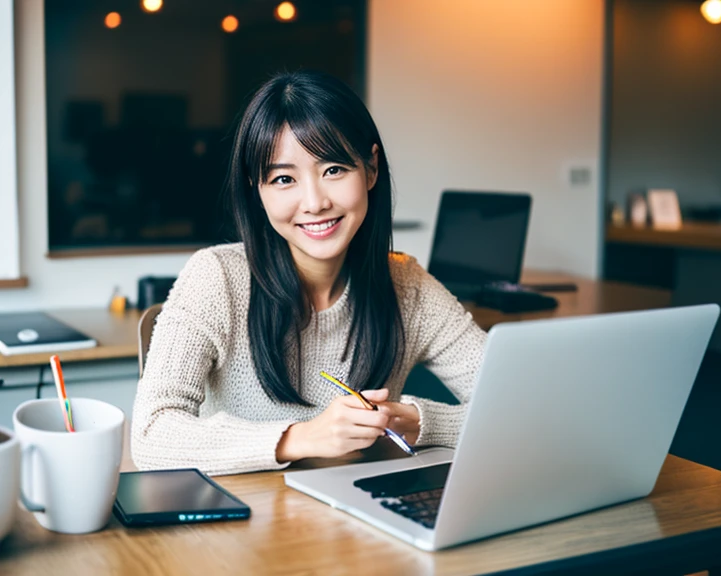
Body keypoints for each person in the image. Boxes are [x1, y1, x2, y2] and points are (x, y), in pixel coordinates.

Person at [131, 71, 486, 476]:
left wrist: (420, 423)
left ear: (370, 169)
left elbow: (520, 404)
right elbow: (151, 435)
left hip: (362, 522)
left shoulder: (407, 285)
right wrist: (300, 438)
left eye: (333, 169)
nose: (314, 202)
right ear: (257, 189)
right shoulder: (217, 279)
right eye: (284, 179)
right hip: (242, 527)